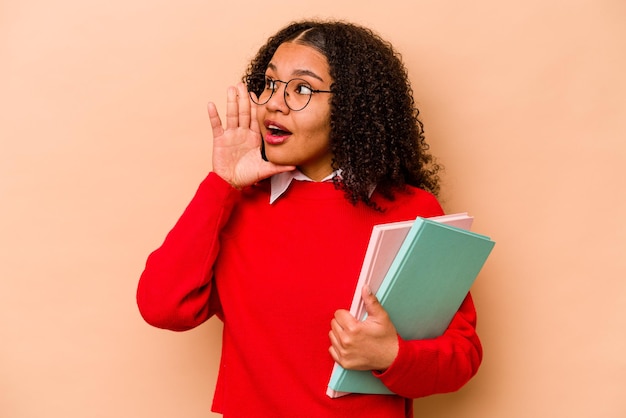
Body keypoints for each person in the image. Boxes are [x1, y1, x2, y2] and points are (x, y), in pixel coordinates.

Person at [137, 19, 482, 418]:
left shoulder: (410, 209)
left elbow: (462, 355)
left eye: (301, 88)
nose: (274, 103)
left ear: (351, 107)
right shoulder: (239, 203)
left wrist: (391, 354)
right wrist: (221, 184)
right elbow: (162, 307)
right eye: (269, 84)